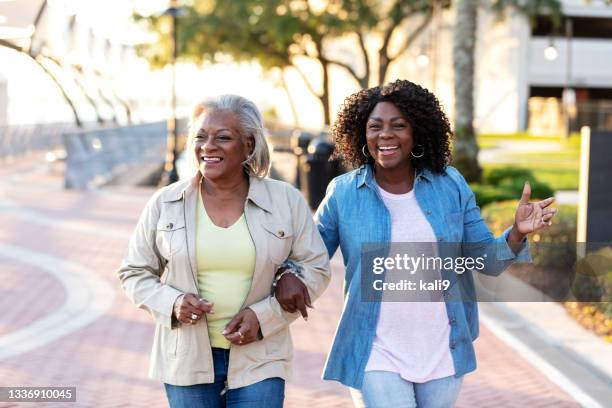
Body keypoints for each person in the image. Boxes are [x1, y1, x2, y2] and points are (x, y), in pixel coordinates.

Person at [274, 80, 557, 407]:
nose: (385, 135)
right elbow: (312, 254)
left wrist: (517, 232)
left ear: (417, 132)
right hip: (374, 347)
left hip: (442, 346)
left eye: (398, 125)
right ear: (361, 134)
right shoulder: (344, 193)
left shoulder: (450, 185)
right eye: (375, 126)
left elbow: (487, 260)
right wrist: (288, 274)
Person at [118, 94, 330, 408]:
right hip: (186, 359)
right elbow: (134, 273)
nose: (208, 146)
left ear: (248, 144)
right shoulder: (165, 203)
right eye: (200, 137)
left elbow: (316, 267)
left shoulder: (285, 200)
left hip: (262, 356)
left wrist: (265, 316)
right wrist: (172, 303)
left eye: (223, 137)